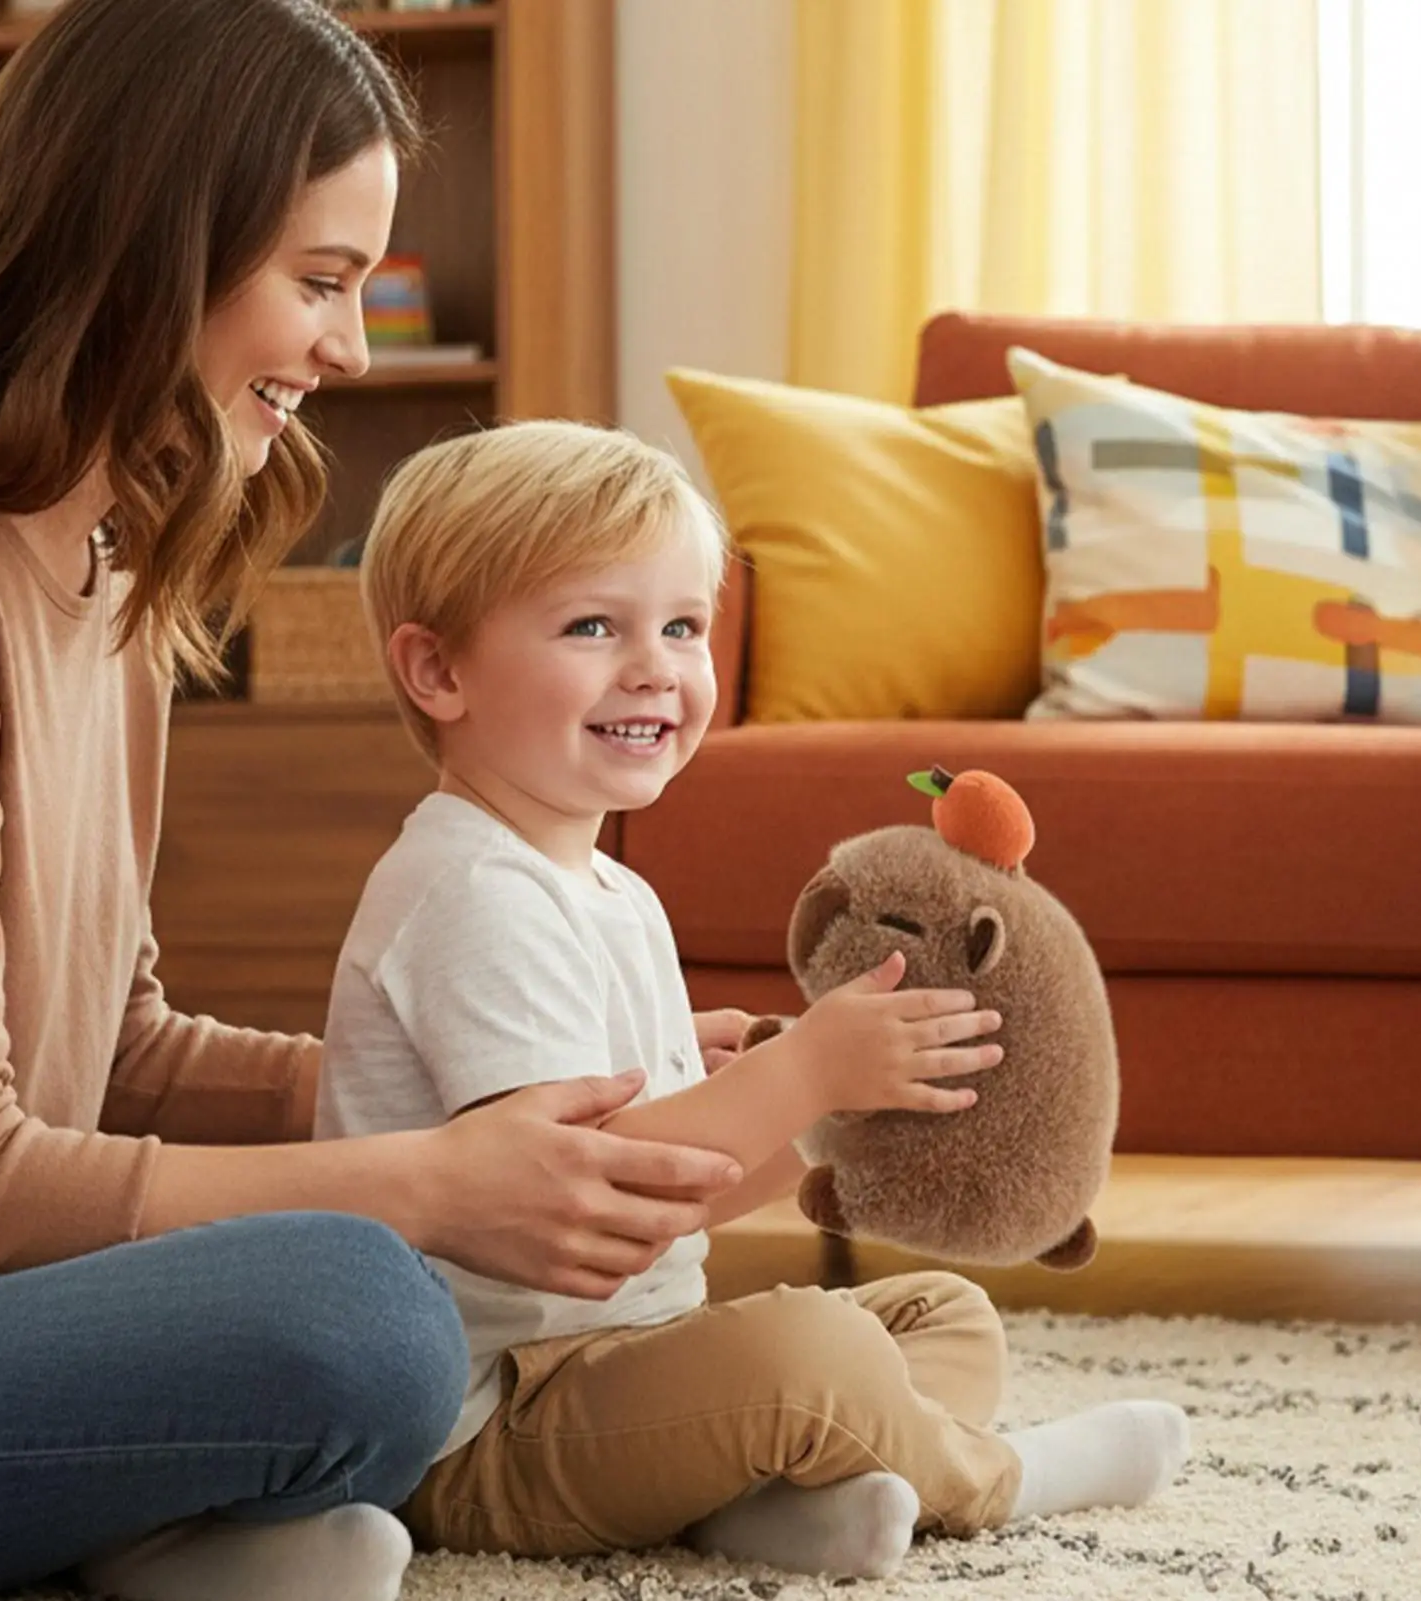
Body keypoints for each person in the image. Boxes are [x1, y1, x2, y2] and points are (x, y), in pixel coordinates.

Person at [0, 4, 747, 1599]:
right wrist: (422, 1177)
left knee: (367, 1297)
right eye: (323, 282)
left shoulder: (110, 562)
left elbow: (117, 1057)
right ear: (147, 244)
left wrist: (514, 1085)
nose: (350, 350)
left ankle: (155, 1532)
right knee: (365, 1311)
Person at [316, 420, 1193, 1581]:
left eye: (681, 625)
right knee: (812, 1350)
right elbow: (579, 1200)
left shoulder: (606, 888)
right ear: (438, 671)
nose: (654, 666)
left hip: (629, 1357)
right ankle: (999, 1476)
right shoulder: (473, 890)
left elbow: (679, 1201)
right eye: (593, 626)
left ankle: (772, 1503)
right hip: (498, 1422)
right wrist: (803, 1075)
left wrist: (842, 1120)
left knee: (936, 1312)